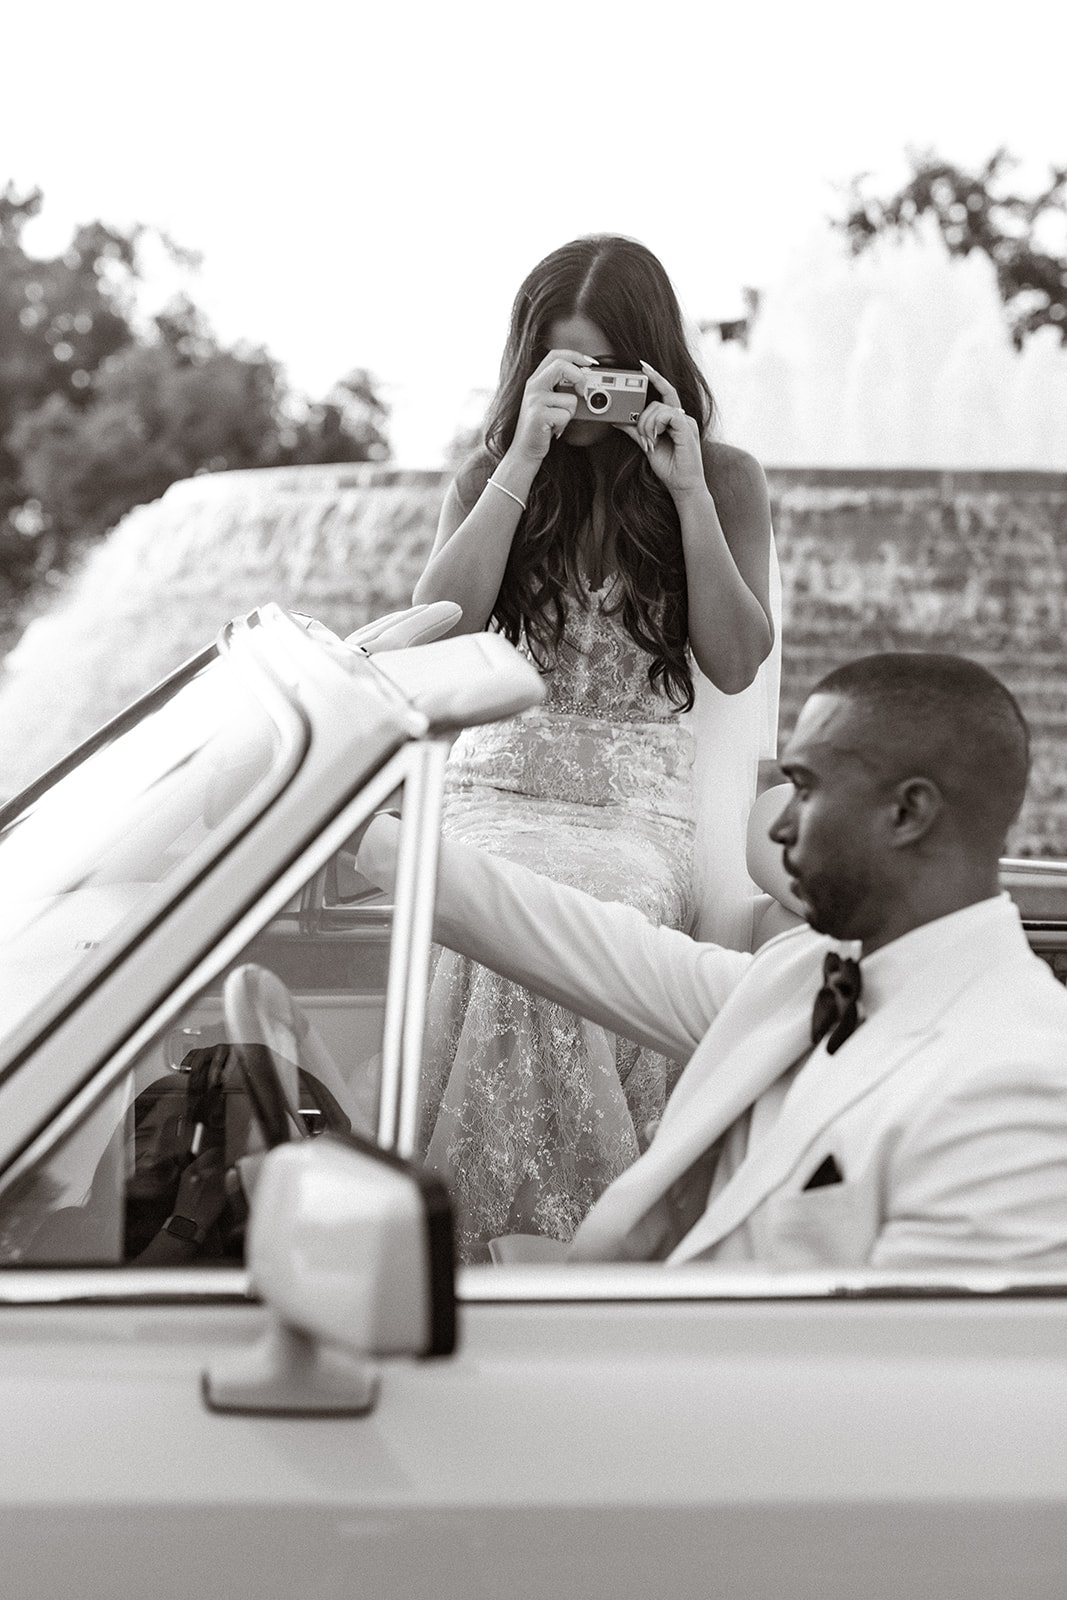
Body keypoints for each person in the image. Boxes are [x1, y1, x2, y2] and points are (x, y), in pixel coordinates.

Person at [360, 651, 1067, 1271]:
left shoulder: (1015, 1085)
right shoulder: (806, 969)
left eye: (807, 788)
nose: (780, 825)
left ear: (907, 813)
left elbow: (914, 1384)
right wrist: (356, 828)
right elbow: (592, 946)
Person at [410, 235, 780, 1260]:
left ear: (649, 364)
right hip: (496, 788)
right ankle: (463, 1238)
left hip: (629, 812)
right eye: (563, 376)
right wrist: (521, 458)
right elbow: (436, 628)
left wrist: (690, 491)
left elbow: (737, 662)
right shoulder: (497, 469)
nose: (584, 404)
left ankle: (581, 1248)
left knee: (579, 926)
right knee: (477, 914)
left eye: (604, 375)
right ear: (528, 367)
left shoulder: (724, 478)